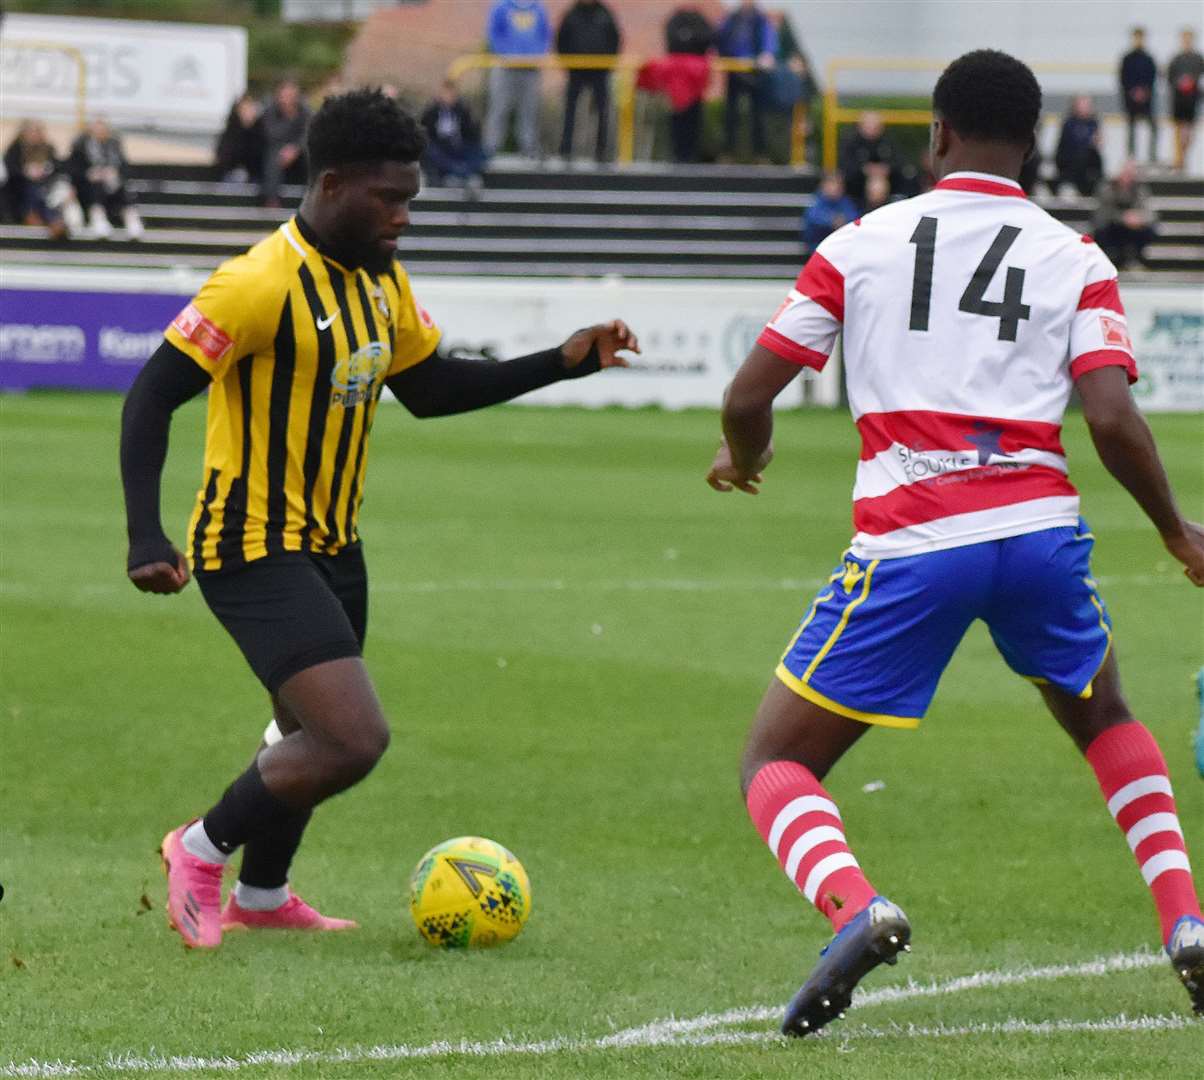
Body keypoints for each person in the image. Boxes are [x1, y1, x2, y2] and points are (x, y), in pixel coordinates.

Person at [707, 48, 1204, 1036]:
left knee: (775, 760)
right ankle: (1185, 921)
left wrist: (743, 455)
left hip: (914, 537)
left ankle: (857, 907)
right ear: (1030, 146)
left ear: (935, 134)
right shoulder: (1078, 257)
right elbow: (1109, 418)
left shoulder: (858, 243)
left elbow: (748, 392)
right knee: (1102, 714)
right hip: (1036, 532)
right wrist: (1175, 528)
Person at [119, 89, 639, 949]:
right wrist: (145, 533)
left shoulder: (380, 280)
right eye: (389, 200)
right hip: (250, 542)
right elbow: (151, 397)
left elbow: (431, 390)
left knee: (300, 733)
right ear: (331, 184)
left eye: (411, 201)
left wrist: (563, 361)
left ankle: (260, 895)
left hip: (333, 544)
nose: (403, 217)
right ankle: (199, 849)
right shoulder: (255, 284)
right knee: (351, 738)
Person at [482, 0, 551, 160]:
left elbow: (545, 34)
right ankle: (491, 147)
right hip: (505, 66)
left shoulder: (538, 8)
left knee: (529, 110)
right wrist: (504, 53)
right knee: (499, 107)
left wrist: (537, 55)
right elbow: (493, 32)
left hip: (530, 68)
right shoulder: (501, 6)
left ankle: (528, 147)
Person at [556, 0, 621, 164]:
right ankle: (566, 149)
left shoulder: (605, 14)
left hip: (600, 70)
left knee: (602, 110)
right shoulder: (571, 13)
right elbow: (561, 39)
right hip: (576, 69)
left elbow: (615, 39)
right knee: (570, 109)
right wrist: (567, 63)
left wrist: (609, 64)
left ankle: (602, 150)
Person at [715, 0, 778, 162]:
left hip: (756, 73)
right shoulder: (732, 18)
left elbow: (769, 41)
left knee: (758, 115)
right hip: (735, 70)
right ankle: (727, 153)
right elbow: (720, 37)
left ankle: (760, 155)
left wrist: (767, 54)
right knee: (731, 115)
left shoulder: (761, 18)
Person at [2, 119, 81, 240]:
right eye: (31, 132)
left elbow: (57, 169)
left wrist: (44, 171)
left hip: (45, 186)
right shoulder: (14, 150)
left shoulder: (48, 149)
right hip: (20, 190)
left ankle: (49, 220)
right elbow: (11, 172)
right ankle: (41, 217)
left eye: (37, 132)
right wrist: (27, 172)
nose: (34, 135)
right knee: (32, 189)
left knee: (46, 193)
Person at [66, 117, 143, 240]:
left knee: (124, 188)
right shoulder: (81, 147)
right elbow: (74, 171)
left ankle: (132, 220)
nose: (101, 133)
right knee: (96, 186)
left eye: (103, 130)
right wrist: (90, 174)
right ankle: (98, 219)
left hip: (112, 186)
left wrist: (113, 173)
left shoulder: (114, 145)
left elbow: (125, 168)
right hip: (88, 187)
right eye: (97, 130)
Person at [420, 80, 488, 191]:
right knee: (431, 152)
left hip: (459, 147)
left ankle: (463, 174)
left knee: (481, 152)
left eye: (451, 94)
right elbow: (425, 133)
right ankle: (458, 174)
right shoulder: (431, 111)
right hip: (440, 148)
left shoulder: (463, 110)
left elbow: (472, 134)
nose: (448, 97)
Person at [1094, 159, 1158, 270]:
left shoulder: (1140, 189)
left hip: (1133, 226)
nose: (1128, 176)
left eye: (1131, 173)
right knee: (1104, 229)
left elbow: (1149, 212)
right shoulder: (1107, 188)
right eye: (1126, 173)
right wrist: (1123, 218)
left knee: (1149, 230)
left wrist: (1138, 218)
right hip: (1112, 226)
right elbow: (1103, 212)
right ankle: (1113, 257)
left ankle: (1134, 258)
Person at [262, 79, 310, 207]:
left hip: (298, 153)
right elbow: (272, 134)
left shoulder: (305, 112)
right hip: (277, 150)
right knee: (272, 156)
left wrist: (295, 149)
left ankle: (311, 196)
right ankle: (271, 199)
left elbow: (308, 134)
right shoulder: (270, 112)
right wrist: (289, 118)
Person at [838, 112, 902, 208]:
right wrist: (864, 169)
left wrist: (886, 169)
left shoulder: (888, 142)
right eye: (869, 126)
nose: (872, 129)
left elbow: (899, 162)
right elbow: (845, 165)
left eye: (876, 126)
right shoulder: (851, 142)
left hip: (888, 184)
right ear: (860, 126)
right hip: (855, 188)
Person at [1119, 27, 1158, 163]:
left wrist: (1144, 91)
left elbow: (1152, 77)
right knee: (1131, 129)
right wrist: (1133, 92)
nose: (1138, 40)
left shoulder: (1149, 58)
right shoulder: (1127, 58)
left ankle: (1152, 157)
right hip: (1131, 100)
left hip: (1146, 101)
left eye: (1141, 37)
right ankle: (1131, 156)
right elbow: (1123, 78)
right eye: (1136, 37)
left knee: (1153, 127)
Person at [1168, 28, 1203, 171]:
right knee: (1179, 130)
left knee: (1189, 131)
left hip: (1193, 100)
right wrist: (1180, 82)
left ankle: (1184, 156)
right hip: (1179, 100)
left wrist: (1192, 83)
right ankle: (1179, 159)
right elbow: (1170, 78)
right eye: (1184, 39)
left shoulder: (1198, 59)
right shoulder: (1176, 59)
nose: (1187, 42)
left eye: (1189, 39)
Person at [1054, 95, 1103, 196]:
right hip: (1069, 167)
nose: (1086, 107)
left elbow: (1096, 147)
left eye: (1088, 105)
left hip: (1087, 169)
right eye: (1083, 104)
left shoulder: (1093, 123)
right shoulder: (1069, 124)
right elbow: (1068, 147)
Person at [215, 94, 267, 185]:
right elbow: (224, 157)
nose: (248, 113)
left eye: (251, 109)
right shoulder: (231, 131)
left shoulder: (260, 131)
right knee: (238, 176)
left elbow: (260, 157)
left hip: (256, 176)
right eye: (245, 109)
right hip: (233, 174)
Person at [800, 171, 857, 252]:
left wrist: (844, 221)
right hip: (817, 246)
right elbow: (812, 217)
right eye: (832, 183)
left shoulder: (846, 202)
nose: (835, 187)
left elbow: (854, 218)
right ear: (823, 185)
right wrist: (831, 221)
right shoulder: (816, 201)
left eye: (839, 184)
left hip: (840, 247)